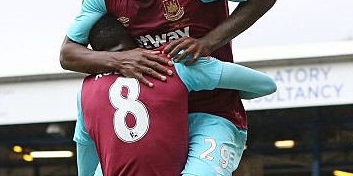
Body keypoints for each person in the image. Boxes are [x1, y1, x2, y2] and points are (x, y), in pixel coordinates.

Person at [60, 0, 277, 174]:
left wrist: (207, 43)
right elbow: (68, 54)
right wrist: (121, 59)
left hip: (212, 113)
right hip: (156, 117)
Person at [74, 14, 277, 175]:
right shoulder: (172, 63)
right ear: (135, 38)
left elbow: (86, 164)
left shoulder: (85, 91)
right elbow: (265, 85)